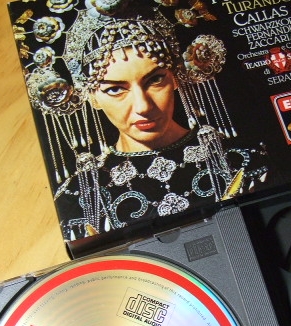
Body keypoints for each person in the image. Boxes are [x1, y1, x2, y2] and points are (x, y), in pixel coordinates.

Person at [17, 0, 268, 240]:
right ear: (91, 97)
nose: (143, 106)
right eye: (115, 89)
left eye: (155, 80)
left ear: (175, 77)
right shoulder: (78, 196)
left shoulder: (243, 158)